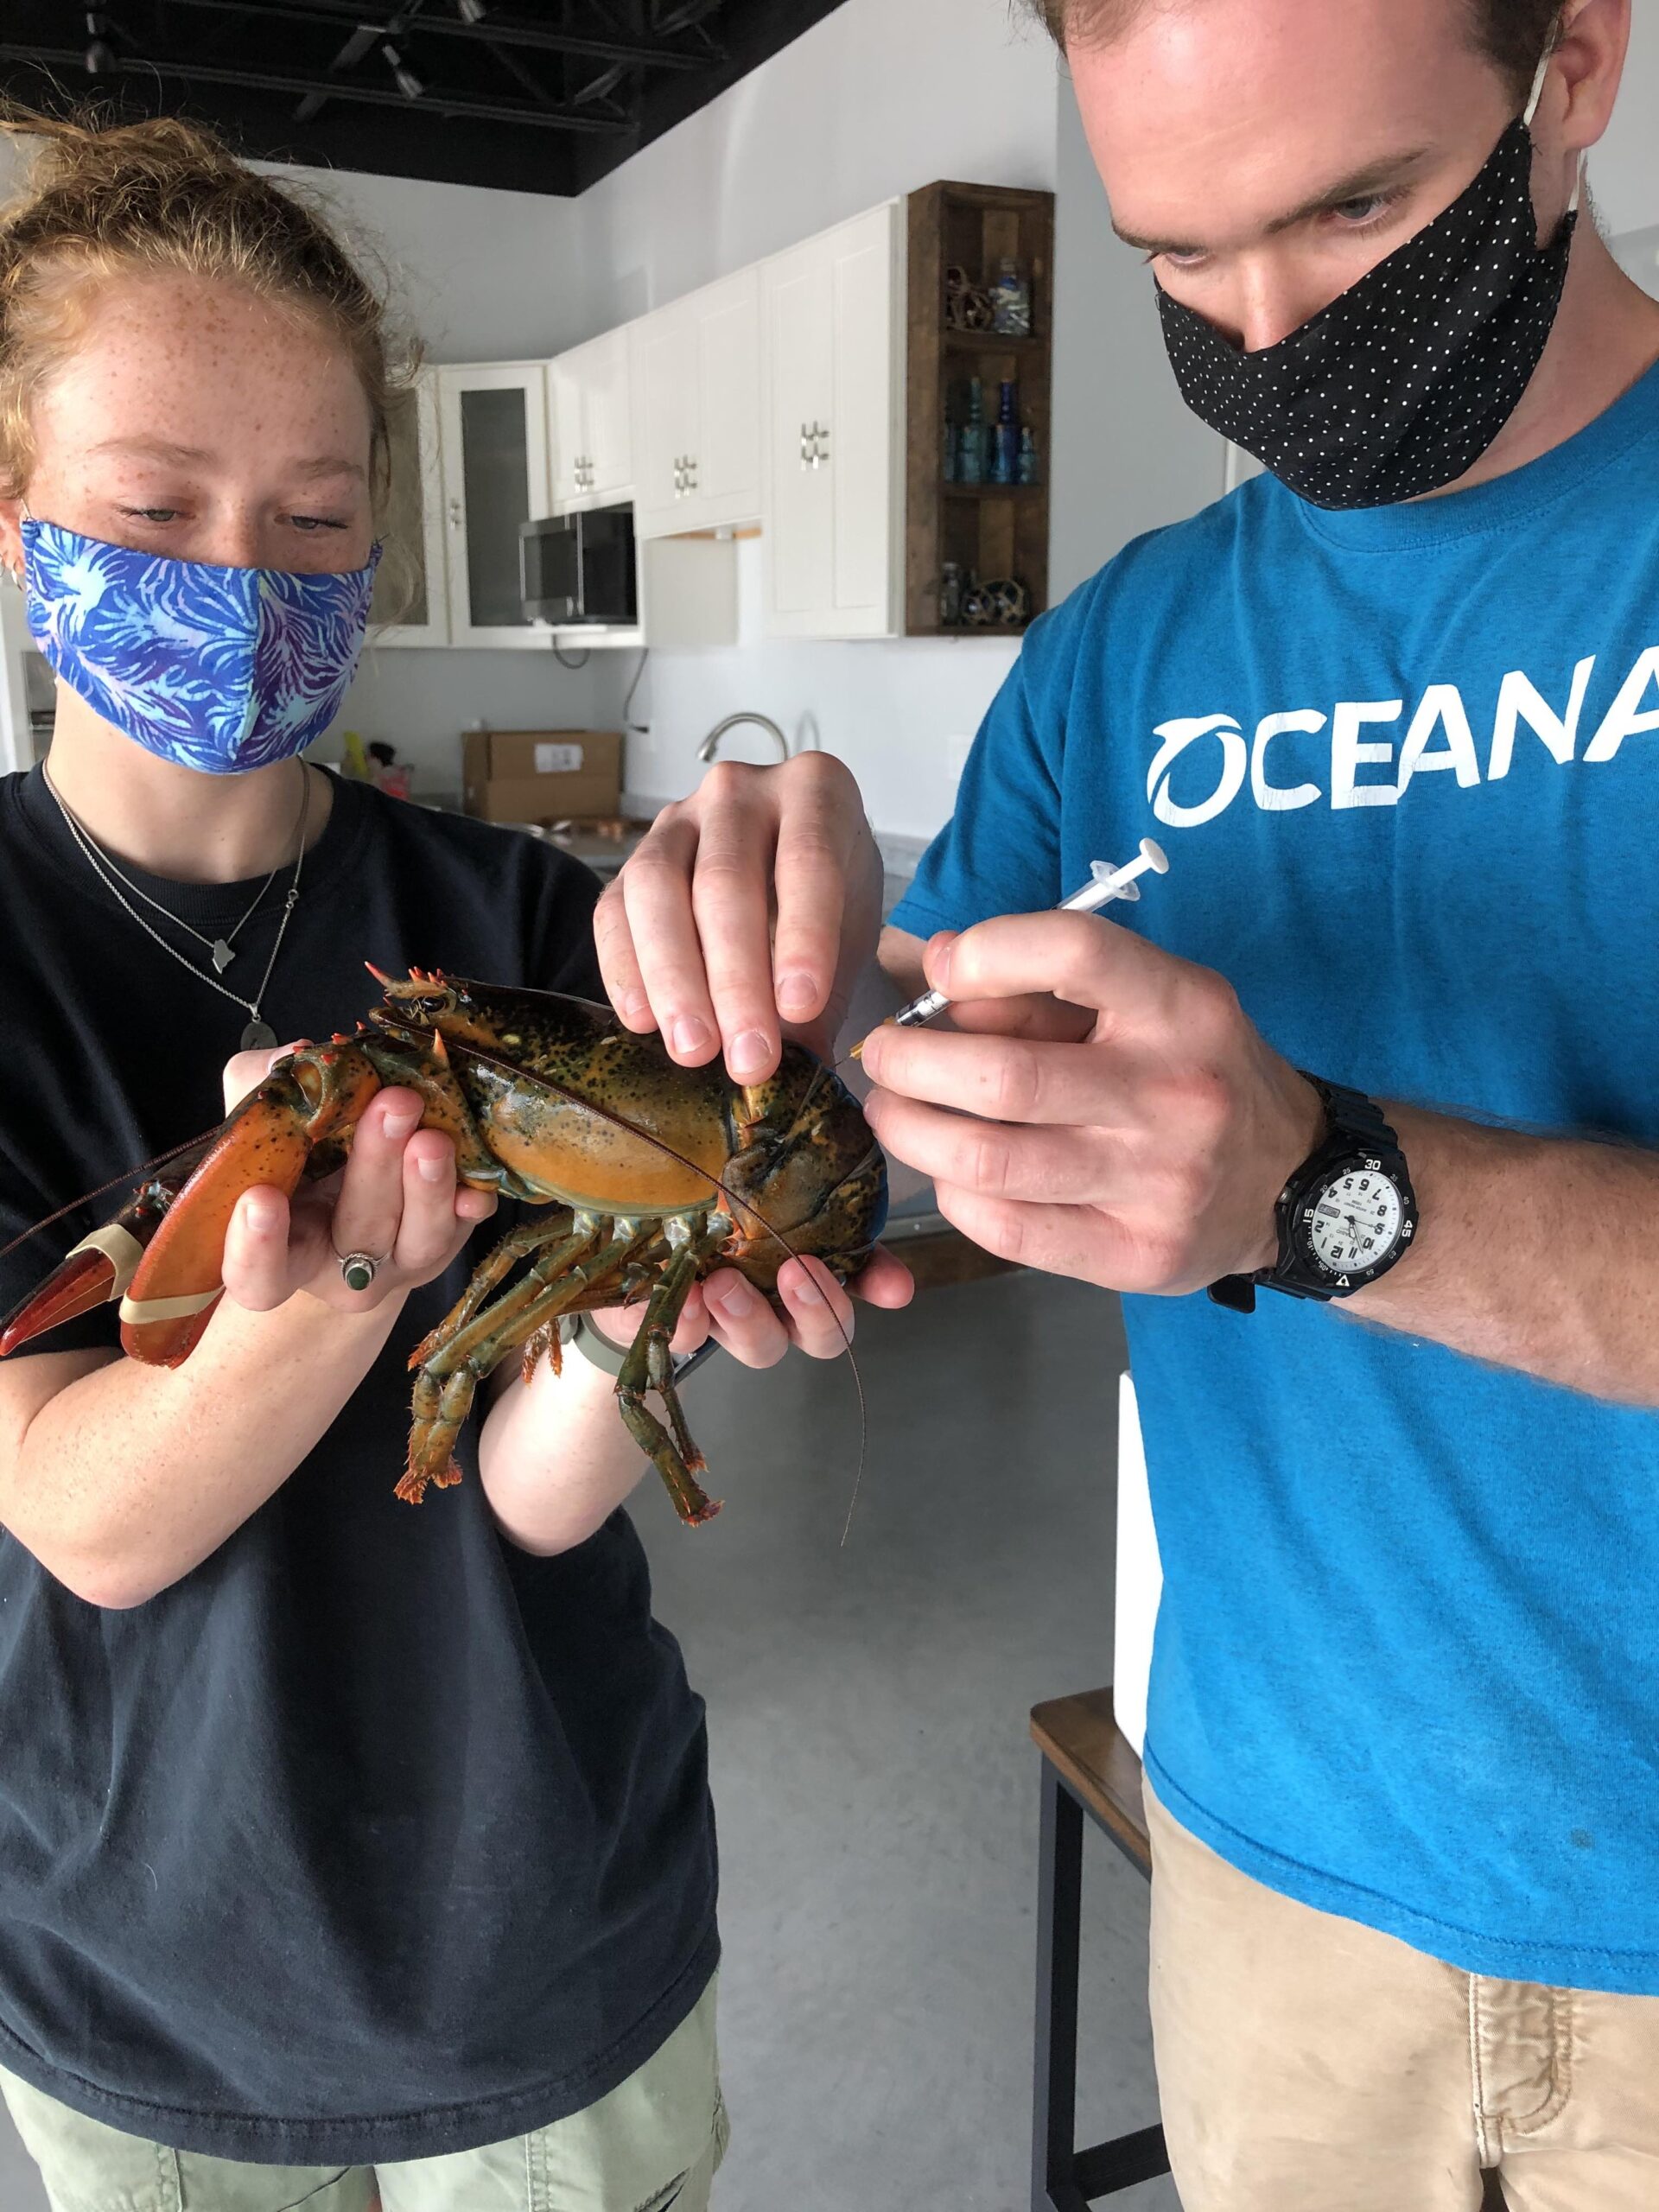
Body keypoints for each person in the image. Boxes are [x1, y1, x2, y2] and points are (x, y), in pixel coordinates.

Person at [597, 2, 1659, 2205]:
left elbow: (1273, 1184)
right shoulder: (1123, 651)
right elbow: (922, 1116)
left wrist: (1338, 1189)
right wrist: (742, 1042)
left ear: (1576, 64)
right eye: (1176, 252)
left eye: (1354, 207)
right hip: (1268, 1867)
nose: (1265, 331)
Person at [0, 108, 905, 2212]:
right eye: (153, 505)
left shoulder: (525, 918)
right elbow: (88, 1520)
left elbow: (517, 1485)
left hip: (540, 1940)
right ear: (21, 509)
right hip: (143, 1990)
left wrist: (648, 1302)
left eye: (317, 517)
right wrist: (342, 1288)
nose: (245, 578)